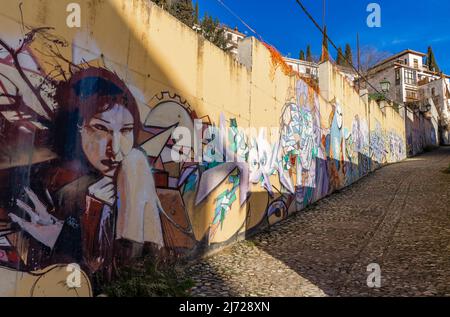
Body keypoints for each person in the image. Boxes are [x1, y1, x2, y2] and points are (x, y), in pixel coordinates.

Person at [6, 67, 165, 288]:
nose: (115, 149)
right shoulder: (50, 180)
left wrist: (92, 217)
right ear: (76, 128)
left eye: (126, 130)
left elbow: (126, 267)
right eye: (100, 128)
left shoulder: (132, 168)